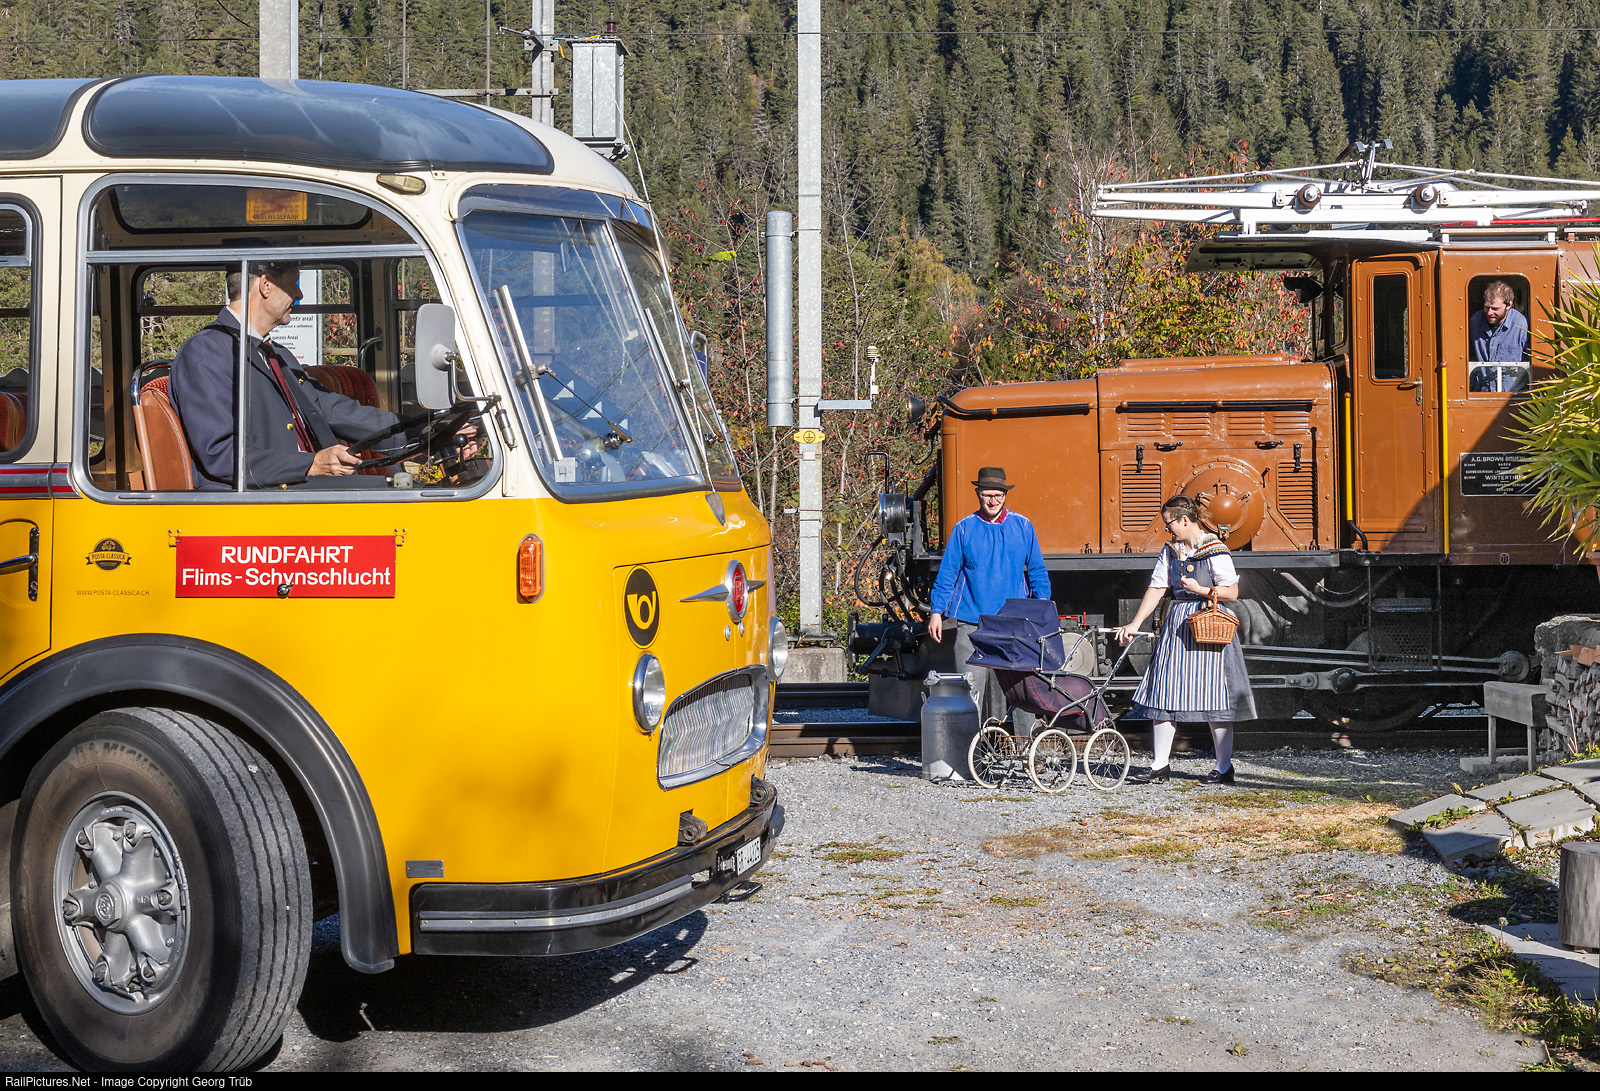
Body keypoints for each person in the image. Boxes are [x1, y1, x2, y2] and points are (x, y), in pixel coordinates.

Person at [169, 263, 412, 490]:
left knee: (407, 491)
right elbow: (220, 454)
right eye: (293, 283)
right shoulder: (207, 351)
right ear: (266, 285)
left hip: (291, 489)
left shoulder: (276, 353)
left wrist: (414, 432)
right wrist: (311, 464)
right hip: (252, 498)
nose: (299, 294)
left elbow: (328, 408)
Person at [1111, 494, 1256, 784]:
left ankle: (1224, 766)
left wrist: (1200, 589)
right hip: (1178, 625)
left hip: (1208, 624)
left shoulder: (1215, 550)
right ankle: (1159, 765)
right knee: (1165, 690)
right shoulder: (1171, 551)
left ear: (1184, 520)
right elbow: (1157, 587)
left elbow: (1231, 592)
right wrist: (1135, 623)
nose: (1167, 529)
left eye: (1169, 524)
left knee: (1215, 694)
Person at [927, 466, 1052, 730]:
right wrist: (936, 611)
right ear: (978, 494)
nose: (993, 501)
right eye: (987, 495)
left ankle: (1027, 747)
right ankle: (970, 749)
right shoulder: (963, 529)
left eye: (998, 495)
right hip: (972, 623)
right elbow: (947, 574)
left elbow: (1038, 572)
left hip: (1014, 624)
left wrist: (1042, 611)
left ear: (1005, 495)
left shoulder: (1023, 526)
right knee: (969, 691)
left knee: (1022, 691)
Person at [1468, 279, 1531, 393]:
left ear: (1509, 305)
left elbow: (1531, 360)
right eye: (1487, 307)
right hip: (1481, 395)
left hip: (1514, 395)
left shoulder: (1521, 325)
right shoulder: (1474, 323)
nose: (1489, 312)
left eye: (1495, 309)